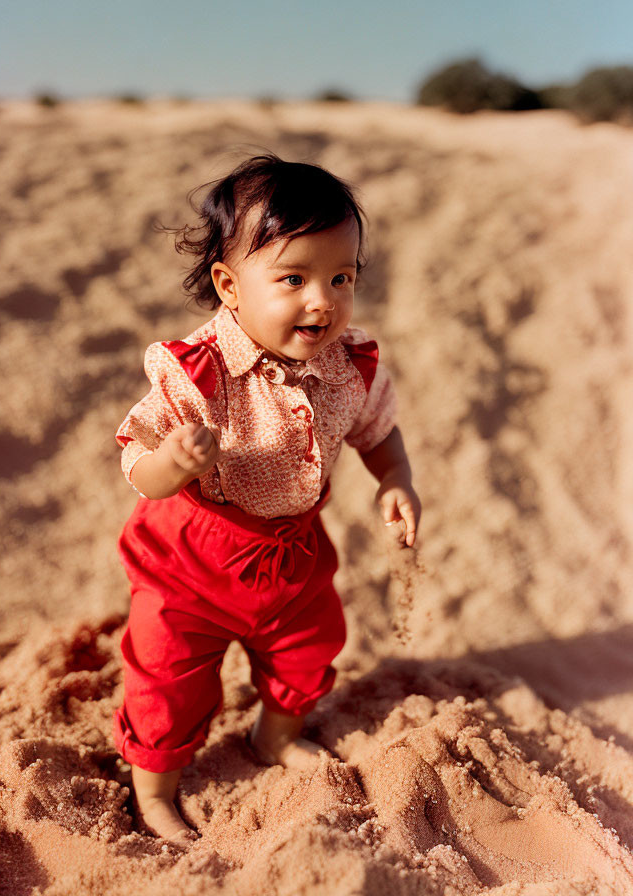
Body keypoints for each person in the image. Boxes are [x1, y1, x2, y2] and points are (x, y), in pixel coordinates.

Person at [111, 153, 421, 847]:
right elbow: (137, 460)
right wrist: (173, 462)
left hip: (292, 552)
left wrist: (396, 480)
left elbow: (379, 433)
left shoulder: (350, 366)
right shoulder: (197, 373)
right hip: (189, 558)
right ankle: (155, 791)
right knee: (166, 676)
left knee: (309, 649)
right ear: (229, 285)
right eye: (294, 279)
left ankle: (274, 737)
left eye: (342, 278)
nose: (324, 300)